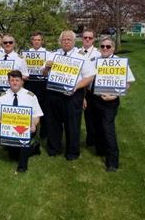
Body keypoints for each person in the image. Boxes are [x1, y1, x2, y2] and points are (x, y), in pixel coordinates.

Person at [42, 30, 95, 160]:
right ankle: (54, 148)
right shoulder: (53, 55)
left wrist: (76, 87)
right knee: (53, 123)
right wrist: (47, 68)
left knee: (72, 124)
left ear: (73, 41)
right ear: (60, 41)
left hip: (73, 95)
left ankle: (72, 152)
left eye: (68, 40)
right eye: (63, 40)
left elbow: (90, 76)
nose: (66, 42)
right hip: (54, 93)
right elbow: (44, 74)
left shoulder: (81, 57)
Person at [90, 36, 135, 171]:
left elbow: (128, 82)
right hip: (95, 98)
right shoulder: (95, 61)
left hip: (111, 101)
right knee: (97, 126)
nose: (105, 48)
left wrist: (114, 95)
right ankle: (101, 150)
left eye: (108, 46)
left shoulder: (119, 63)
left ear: (113, 49)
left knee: (108, 129)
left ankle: (112, 162)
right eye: (102, 46)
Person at [0, 70, 43, 172]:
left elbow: (37, 116)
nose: (14, 82)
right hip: (10, 131)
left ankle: (22, 166)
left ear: (21, 82)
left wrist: (33, 125)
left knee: (23, 140)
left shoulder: (31, 96)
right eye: (12, 80)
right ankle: (34, 149)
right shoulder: (3, 96)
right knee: (13, 156)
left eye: (17, 80)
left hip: (26, 129)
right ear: (8, 82)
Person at [0, 34, 29, 146]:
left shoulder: (20, 59)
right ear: (2, 44)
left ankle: (10, 138)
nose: (8, 44)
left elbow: (26, 76)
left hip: (11, 92)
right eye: (5, 43)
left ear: (14, 44)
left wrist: (13, 76)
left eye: (10, 42)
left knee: (9, 115)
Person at [23, 31, 49, 139]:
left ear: (42, 41)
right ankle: (31, 131)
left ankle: (44, 133)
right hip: (30, 83)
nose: (36, 42)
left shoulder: (48, 54)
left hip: (42, 84)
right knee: (30, 108)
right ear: (31, 41)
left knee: (43, 108)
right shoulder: (26, 54)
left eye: (39, 40)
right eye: (34, 40)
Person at [79, 29, 101, 147]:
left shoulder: (98, 54)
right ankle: (90, 140)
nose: (87, 39)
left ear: (94, 39)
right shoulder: (77, 53)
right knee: (87, 116)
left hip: (95, 90)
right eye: (85, 37)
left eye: (90, 38)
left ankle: (97, 140)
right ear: (82, 38)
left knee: (97, 116)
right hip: (82, 90)